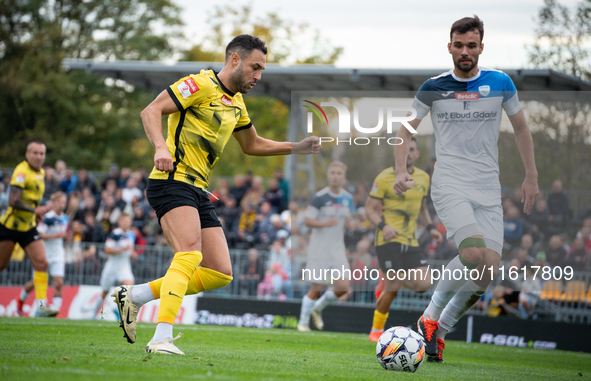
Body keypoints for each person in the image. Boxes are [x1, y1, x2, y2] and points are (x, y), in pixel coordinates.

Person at [111, 34, 320, 355]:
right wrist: (160, 147)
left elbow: (252, 145)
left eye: (261, 70)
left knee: (220, 272)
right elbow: (151, 111)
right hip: (170, 180)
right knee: (190, 254)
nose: (258, 77)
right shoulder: (199, 85)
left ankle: (134, 296)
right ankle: (161, 337)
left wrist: (296, 147)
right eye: (255, 67)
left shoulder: (236, 103)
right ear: (234, 60)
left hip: (197, 189)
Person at [393, 16, 538, 363]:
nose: (464, 52)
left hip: (488, 187)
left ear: (481, 48)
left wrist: (531, 175)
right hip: (450, 182)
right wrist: (400, 169)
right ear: (450, 47)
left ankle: (440, 332)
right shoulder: (433, 87)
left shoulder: (500, 82)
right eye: (458, 45)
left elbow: (521, 129)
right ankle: (428, 316)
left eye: (471, 45)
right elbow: (405, 128)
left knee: (487, 269)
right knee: (473, 253)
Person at [365, 137, 443, 342]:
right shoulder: (383, 178)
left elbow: (422, 208)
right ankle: (375, 331)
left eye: (412, 150)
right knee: (393, 286)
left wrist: (431, 228)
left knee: (424, 284)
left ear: (417, 154)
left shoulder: (424, 178)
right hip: (387, 240)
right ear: (397, 153)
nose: (408, 153)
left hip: (411, 240)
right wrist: (384, 226)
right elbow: (369, 210)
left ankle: (388, 280)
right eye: (404, 150)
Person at [0, 140, 59, 317]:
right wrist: (35, 210)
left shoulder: (40, 173)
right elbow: (13, 200)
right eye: (35, 153)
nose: (39, 157)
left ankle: (41, 306)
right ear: (27, 154)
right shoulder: (21, 172)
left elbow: (30, 198)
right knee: (1, 265)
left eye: (42, 153)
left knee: (42, 263)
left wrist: (35, 214)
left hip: (28, 226)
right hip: (10, 226)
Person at [298, 161, 352, 332]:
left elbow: (346, 220)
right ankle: (303, 322)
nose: (335, 176)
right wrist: (325, 223)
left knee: (343, 287)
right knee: (317, 287)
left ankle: (317, 308)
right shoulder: (320, 197)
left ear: (343, 177)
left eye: (339, 173)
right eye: (333, 173)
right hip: (319, 250)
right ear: (328, 175)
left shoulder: (347, 198)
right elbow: (307, 220)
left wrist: (351, 224)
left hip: (337, 250)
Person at [17, 191, 69, 316]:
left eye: (64, 202)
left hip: (58, 254)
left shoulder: (65, 218)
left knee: (59, 283)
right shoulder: (47, 218)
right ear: (54, 203)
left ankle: (56, 313)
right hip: (43, 253)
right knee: (36, 283)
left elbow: (62, 234)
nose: (62, 205)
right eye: (60, 202)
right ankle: (21, 300)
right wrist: (54, 235)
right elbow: (38, 233)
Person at [95, 213, 136, 316]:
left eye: (128, 221)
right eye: (124, 221)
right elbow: (107, 250)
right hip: (112, 266)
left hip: (124, 265)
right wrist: (122, 249)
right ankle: (93, 313)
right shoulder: (115, 234)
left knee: (129, 288)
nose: (127, 223)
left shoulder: (131, 235)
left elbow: (130, 249)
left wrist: (132, 253)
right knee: (104, 292)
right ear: (120, 222)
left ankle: (117, 308)